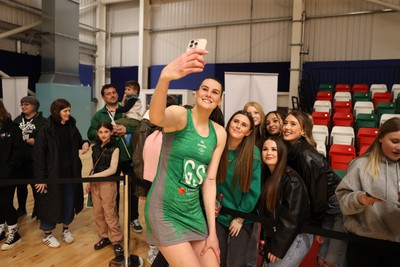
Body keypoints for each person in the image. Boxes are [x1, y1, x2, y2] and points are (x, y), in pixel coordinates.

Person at [144, 48, 227, 267]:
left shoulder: (219, 133)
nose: (209, 94)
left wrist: (212, 232)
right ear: (196, 94)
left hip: (193, 213)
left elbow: (209, 182)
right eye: (204, 89)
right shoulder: (181, 116)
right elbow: (156, 116)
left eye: (215, 92)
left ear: (220, 99)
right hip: (165, 210)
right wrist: (165, 78)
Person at [282, 110, 346, 267]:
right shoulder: (291, 150)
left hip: (337, 208)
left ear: (303, 131)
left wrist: (316, 224)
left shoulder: (306, 155)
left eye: (293, 124)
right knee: (322, 258)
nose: (286, 127)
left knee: (331, 260)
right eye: (285, 123)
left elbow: (317, 194)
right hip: (325, 206)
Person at [336, 117, 400, 266]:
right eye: (395, 141)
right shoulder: (361, 165)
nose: (399, 147)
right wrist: (359, 199)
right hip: (364, 246)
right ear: (381, 138)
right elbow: (343, 203)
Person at [33, 99, 90, 248]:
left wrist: (85, 143)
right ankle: (47, 234)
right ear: (56, 112)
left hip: (70, 174)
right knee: (49, 203)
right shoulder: (46, 129)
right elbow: (38, 155)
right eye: (65, 111)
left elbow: (79, 140)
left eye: (69, 110)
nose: (68, 114)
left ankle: (66, 229)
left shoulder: (71, 125)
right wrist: (41, 178)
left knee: (69, 202)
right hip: (52, 175)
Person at [87, 84, 142, 234]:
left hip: (129, 156)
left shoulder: (127, 110)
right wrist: (106, 133)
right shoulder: (99, 115)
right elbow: (90, 133)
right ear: (103, 97)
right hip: (110, 158)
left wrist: (126, 129)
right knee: (112, 192)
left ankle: (133, 218)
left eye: (114, 92)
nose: (112, 95)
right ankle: (114, 220)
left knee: (133, 190)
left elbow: (139, 126)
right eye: (108, 94)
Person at [215, 110, 262, 267]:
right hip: (219, 214)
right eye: (236, 121)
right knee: (217, 258)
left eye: (244, 125)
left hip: (242, 215)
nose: (238, 126)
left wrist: (240, 218)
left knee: (236, 262)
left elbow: (253, 192)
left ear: (248, 132)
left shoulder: (253, 154)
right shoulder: (217, 146)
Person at [259, 136, 311, 266]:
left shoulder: (291, 180)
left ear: (281, 153)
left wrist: (277, 248)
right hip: (280, 235)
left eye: (274, 149)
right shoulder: (268, 177)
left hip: (295, 237)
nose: (268, 153)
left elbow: (291, 219)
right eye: (265, 149)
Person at [141, 95, 176, 266]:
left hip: (170, 187)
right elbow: (143, 160)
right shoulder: (152, 135)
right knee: (155, 220)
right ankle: (156, 248)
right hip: (154, 185)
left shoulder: (174, 136)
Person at [85, 122, 126, 260]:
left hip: (108, 184)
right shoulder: (95, 147)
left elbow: (112, 169)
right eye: (101, 132)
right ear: (97, 133)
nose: (103, 135)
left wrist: (93, 177)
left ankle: (116, 241)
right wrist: (90, 181)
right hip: (95, 183)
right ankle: (104, 236)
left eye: (106, 132)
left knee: (109, 212)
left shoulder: (115, 148)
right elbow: (93, 166)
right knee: (98, 213)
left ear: (111, 133)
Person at [13, 96, 47, 218]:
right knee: (20, 186)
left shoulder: (43, 121)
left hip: (35, 160)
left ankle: (38, 209)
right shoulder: (16, 121)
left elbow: (47, 140)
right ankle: (21, 208)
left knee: (36, 186)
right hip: (20, 160)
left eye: (26, 104)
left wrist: (37, 141)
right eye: (22, 104)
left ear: (34, 106)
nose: (23, 106)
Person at [0, 100, 24, 250]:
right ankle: (1, 229)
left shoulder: (13, 128)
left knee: (5, 203)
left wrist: (8, 170)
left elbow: (18, 152)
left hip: (8, 174)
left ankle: (14, 233)